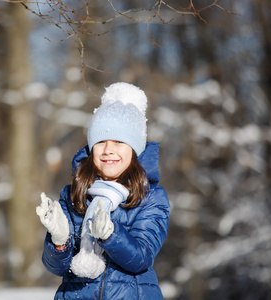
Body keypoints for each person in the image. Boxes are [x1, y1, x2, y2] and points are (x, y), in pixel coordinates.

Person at [36, 82, 170, 299]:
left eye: (119, 141)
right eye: (100, 141)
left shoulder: (151, 198)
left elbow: (141, 258)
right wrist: (59, 242)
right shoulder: (74, 194)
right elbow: (57, 268)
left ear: (134, 149)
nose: (108, 150)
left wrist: (111, 235)